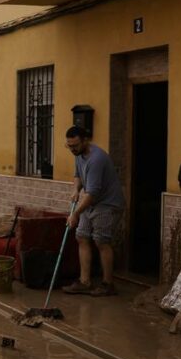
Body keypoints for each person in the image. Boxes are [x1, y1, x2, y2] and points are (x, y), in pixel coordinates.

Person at [61, 126, 125, 297]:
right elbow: (78, 175)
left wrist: (75, 214)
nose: (72, 149)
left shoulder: (97, 159)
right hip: (91, 202)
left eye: (75, 145)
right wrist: (75, 189)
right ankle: (84, 281)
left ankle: (108, 284)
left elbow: (93, 193)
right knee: (81, 236)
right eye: (69, 146)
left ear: (85, 141)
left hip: (107, 204)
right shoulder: (78, 154)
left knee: (101, 241)